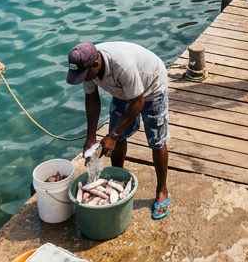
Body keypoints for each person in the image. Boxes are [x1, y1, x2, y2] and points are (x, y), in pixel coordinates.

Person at [67, 39, 172, 219]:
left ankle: (162, 190)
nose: (84, 79)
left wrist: (113, 135)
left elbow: (138, 102)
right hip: (124, 91)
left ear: (96, 63)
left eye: (85, 75)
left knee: (156, 141)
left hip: (152, 86)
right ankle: (119, 178)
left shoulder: (122, 65)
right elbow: (92, 100)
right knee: (117, 138)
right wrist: (90, 137)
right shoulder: (86, 68)